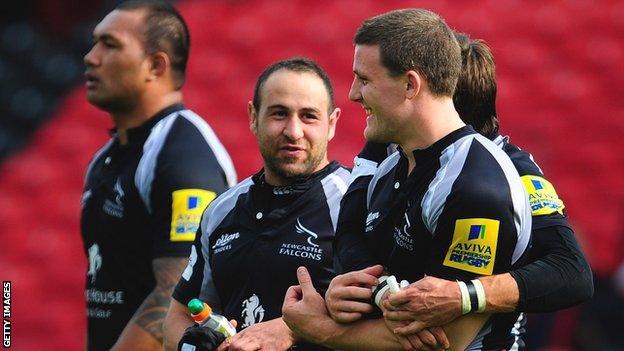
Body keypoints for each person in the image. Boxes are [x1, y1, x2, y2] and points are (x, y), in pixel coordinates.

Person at [282, 8, 533, 350]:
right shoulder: (391, 166)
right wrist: (347, 294)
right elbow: (376, 270)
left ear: (410, 85)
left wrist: (321, 329)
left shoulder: (475, 186)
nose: (354, 94)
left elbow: (445, 342)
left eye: (365, 80)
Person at [328, 31, 593, 349]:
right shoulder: (394, 142)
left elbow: (571, 271)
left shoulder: (508, 175)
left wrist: (467, 295)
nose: (356, 96)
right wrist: (376, 288)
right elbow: (350, 224)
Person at [162, 58, 350, 351]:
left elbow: (379, 312)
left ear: (332, 123)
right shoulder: (221, 210)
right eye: (279, 113)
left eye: (309, 116)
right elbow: (182, 313)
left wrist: (292, 330)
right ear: (253, 116)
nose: (293, 131)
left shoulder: (355, 202)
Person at [81, 1, 236, 350]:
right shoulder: (106, 158)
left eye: (110, 44)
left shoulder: (183, 153)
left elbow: (177, 293)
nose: (91, 57)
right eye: (94, 43)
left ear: (155, 65)